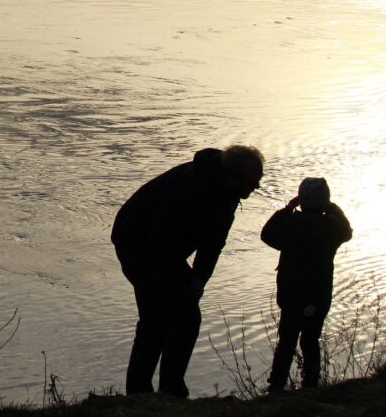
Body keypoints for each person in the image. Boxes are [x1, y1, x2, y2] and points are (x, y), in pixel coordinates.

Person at [111, 145, 265, 397]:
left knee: (162, 318)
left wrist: (199, 280)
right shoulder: (191, 187)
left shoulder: (226, 193)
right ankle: (166, 391)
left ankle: (146, 393)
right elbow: (161, 241)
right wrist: (185, 284)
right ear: (232, 176)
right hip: (137, 244)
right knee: (180, 317)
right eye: (251, 183)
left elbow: (213, 243)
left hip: (161, 249)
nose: (253, 190)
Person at [261, 177, 352, 392]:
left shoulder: (291, 224)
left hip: (291, 295)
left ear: (301, 199)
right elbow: (347, 231)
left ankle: (276, 385)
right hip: (318, 296)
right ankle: (311, 384)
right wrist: (334, 209)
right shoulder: (331, 227)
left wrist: (287, 209)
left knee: (287, 340)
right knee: (311, 340)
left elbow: (267, 234)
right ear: (325, 200)